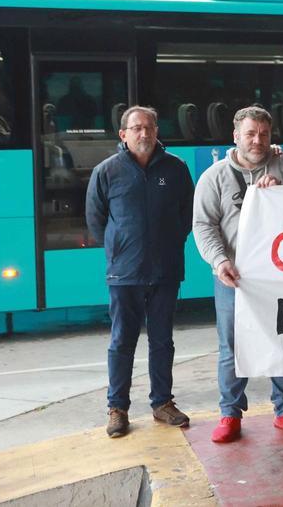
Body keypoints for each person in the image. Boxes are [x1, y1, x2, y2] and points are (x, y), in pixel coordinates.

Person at [193, 106, 283, 443]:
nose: (257, 140)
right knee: (231, 346)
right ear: (236, 136)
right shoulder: (213, 177)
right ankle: (230, 414)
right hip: (235, 277)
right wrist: (219, 262)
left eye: (263, 134)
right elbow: (204, 226)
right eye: (250, 133)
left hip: (282, 278)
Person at [86, 106, 193, 439]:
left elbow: (187, 216)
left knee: (162, 341)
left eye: (150, 127)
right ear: (123, 134)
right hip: (125, 273)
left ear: (157, 131)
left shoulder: (176, 169)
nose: (144, 134)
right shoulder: (107, 171)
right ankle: (117, 409)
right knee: (122, 342)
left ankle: (162, 403)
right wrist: (121, 248)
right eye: (137, 128)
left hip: (165, 271)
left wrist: (168, 244)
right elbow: (95, 220)